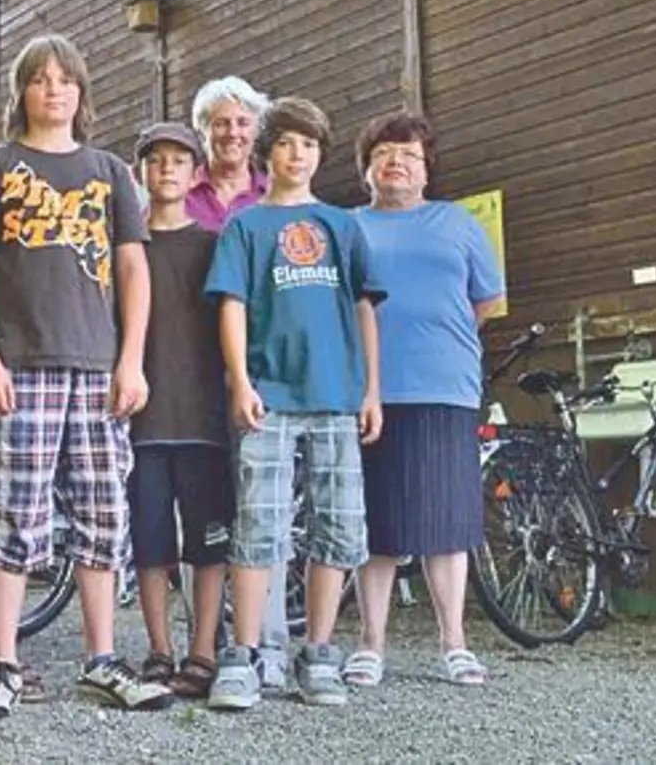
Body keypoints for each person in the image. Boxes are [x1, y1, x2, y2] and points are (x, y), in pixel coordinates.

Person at [0, 34, 170, 719]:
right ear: (21, 92)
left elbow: (133, 269)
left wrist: (132, 360)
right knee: (17, 516)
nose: (52, 90)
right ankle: (2, 666)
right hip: (21, 366)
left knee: (104, 517)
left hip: (99, 370)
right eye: (39, 80)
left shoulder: (109, 172)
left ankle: (101, 661)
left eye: (64, 79)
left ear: (80, 90)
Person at [203, 95, 386, 710]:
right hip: (270, 394)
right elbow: (230, 304)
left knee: (337, 526)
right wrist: (240, 381)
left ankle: (320, 654)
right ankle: (246, 654)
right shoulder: (246, 226)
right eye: (285, 143)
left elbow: (364, 306)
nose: (297, 154)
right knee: (260, 523)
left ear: (320, 154)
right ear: (268, 153)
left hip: (336, 396)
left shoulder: (342, 225)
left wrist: (371, 389)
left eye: (308, 144)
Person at [344, 111, 504, 688]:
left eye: (409, 154)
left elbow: (485, 299)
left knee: (447, 519)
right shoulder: (347, 226)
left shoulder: (458, 223)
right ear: (366, 169)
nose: (396, 163)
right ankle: (370, 643)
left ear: (426, 168)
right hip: (370, 392)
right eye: (384, 153)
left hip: (446, 386)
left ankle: (454, 643)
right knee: (377, 522)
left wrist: (438, 334)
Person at [124, 122, 235, 699]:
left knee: (206, 542)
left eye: (178, 161)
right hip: (142, 419)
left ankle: (203, 648)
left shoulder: (216, 246)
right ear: (141, 171)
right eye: (155, 160)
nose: (166, 169)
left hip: (204, 418)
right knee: (150, 541)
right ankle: (158, 648)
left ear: (196, 173)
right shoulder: (127, 245)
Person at [185, 76, 269, 231]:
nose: (233, 133)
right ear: (202, 133)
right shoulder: (180, 195)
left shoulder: (274, 195)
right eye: (221, 124)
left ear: (256, 132)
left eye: (243, 123)